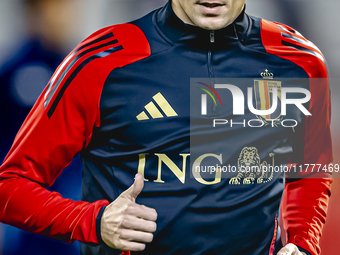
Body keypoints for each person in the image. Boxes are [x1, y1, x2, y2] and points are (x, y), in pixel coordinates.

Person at [0, 0, 332, 255]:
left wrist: (302, 243)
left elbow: (309, 170)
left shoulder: (295, 61)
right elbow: (9, 187)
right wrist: (93, 222)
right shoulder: (103, 63)